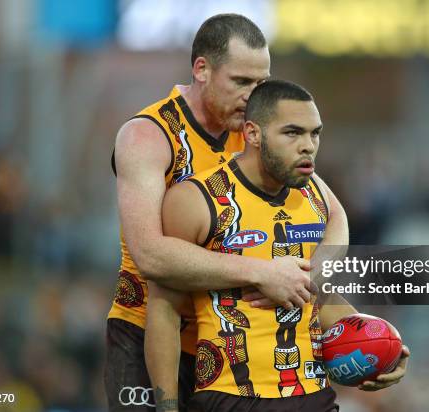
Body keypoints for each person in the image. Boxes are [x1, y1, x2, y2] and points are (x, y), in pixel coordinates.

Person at [107, 14, 352, 411]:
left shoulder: (255, 127)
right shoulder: (147, 136)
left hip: (229, 344)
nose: (253, 94)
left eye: (262, 82)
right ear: (201, 69)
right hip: (149, 330)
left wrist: (317, 272)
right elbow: (150, 256)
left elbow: (333, 214)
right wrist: (262, 272)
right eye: (241, 82)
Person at [149, 80, 408, 412]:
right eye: (292, 133)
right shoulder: (196, 200)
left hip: (315, 398)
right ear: (253, 134)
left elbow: (314, 296)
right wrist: (167, 407)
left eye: (315, 134)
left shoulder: (316, 199)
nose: (308, 145)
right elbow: (163, 310)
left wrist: (382, 347)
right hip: (231, 398)